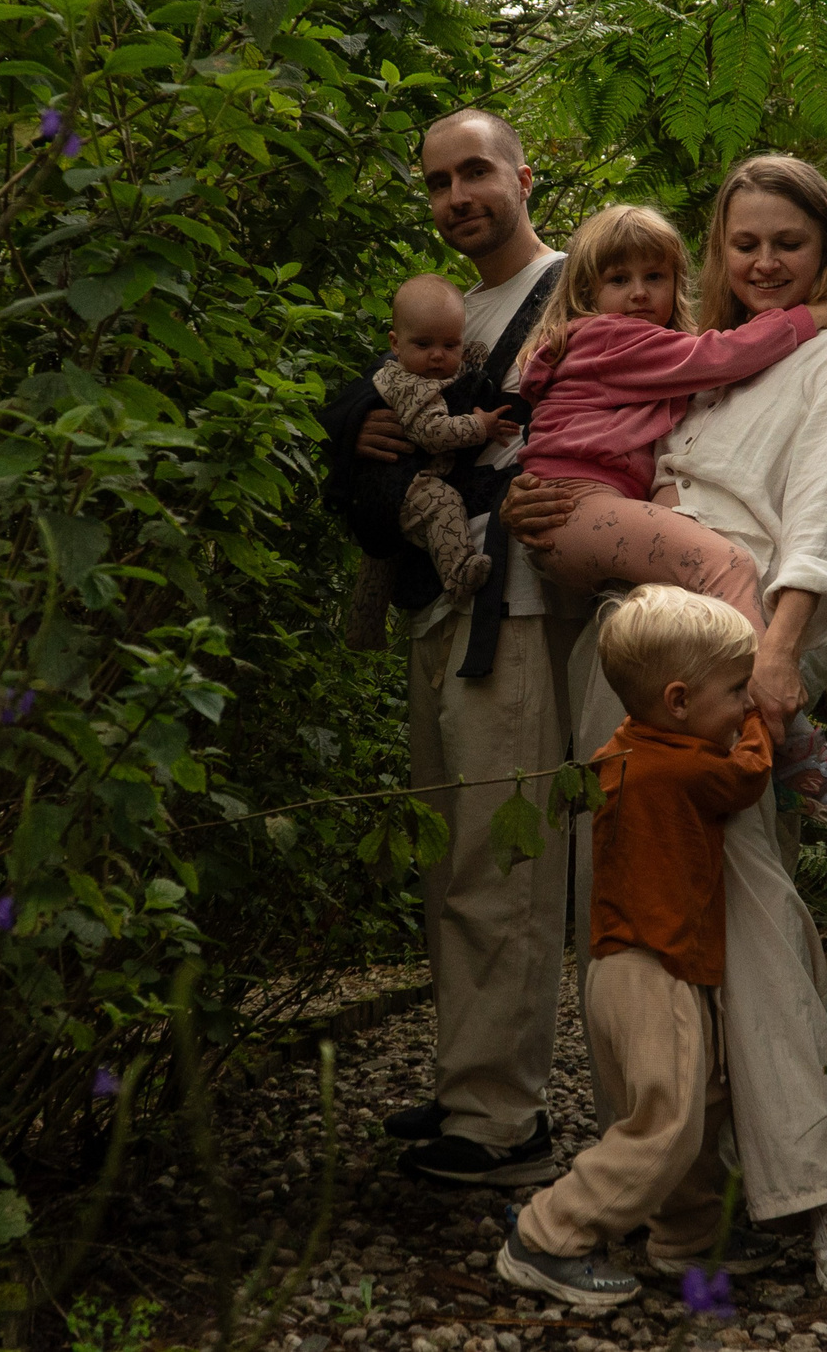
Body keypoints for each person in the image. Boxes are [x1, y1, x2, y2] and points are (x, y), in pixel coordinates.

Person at [501, 153, 827, 1295]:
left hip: (738, 660)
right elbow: (609, 472)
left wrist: (777, 660)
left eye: (789, 242)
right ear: (716, 254)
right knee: (633, 933)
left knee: (754, 914)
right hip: (627, 651)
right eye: (744, 243)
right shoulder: (697, 368)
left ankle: (825, 1189)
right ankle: (677, 1207)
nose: (765, 262)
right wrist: (537, 500)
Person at [355, 108, 581, 1187]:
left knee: (503, 859)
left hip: (523, 604)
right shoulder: (438, 317)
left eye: (476, 172)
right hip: (440, 605)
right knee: (453, 857)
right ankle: (467, 1089)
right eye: (440, 182)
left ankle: (501, 1122)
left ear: (524, 176)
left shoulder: (577, 286)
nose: (458, 197)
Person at [514, 203, 827, 827]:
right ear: (587, 293)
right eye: (618, 281)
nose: (639, 294)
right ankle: (781, 730)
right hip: (582, 512)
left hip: (604, 538)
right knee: (727, 564)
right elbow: (716, 358)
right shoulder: (612, 339)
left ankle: (758, 738)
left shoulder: (651, 358)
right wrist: (813, 317)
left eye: (655, 278)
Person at [495, 586, 786, 1308]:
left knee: (700, 1101)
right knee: (668, 1121)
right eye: (735, 690)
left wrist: (734, 704)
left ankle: (685, 1235)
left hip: (620, 971)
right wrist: (764, 723)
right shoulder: (683, 767)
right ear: (680, 700)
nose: (744, 701)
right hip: (655, 968)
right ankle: (548, 1234)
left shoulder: (626, 744)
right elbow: (748, 775)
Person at [370, 273, 522, 601]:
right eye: (423, 345)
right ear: (395, 344)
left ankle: (363, 626)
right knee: (445, 504)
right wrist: (480, 426)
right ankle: (458, 575)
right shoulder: (412, 384)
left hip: (402, 484)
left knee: (378, 567)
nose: (438, 355)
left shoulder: (407, 373)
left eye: (450, 345)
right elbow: (431, 433)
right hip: (408, 485)